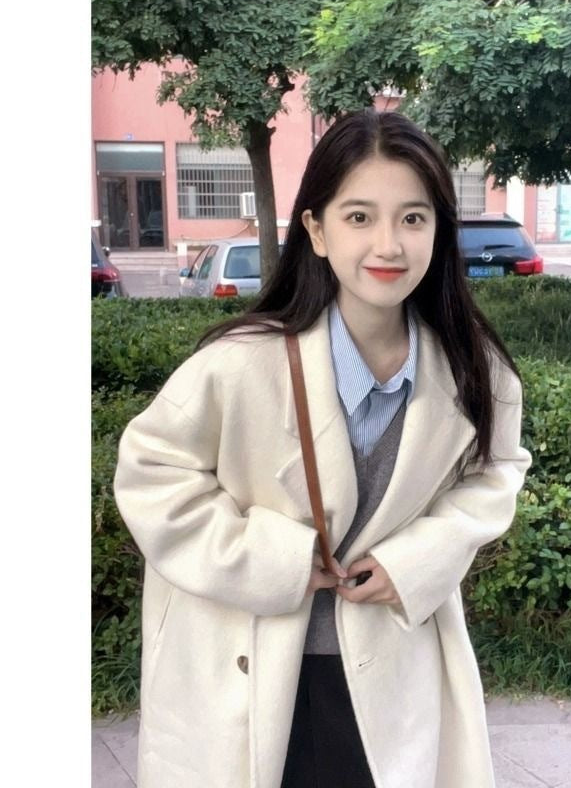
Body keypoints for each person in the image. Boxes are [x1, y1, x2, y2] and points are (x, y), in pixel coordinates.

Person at [113, 109, 532, 788]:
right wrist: (271, 558)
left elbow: (498, 472)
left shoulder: (474, 371)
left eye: (413, 218)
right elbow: (150, 474)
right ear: (315, 228)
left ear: (439, 228)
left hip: (392, 679)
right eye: (359, 217)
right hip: (250, 677)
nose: (388, 245)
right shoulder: (238, 365)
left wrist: (421, 557)